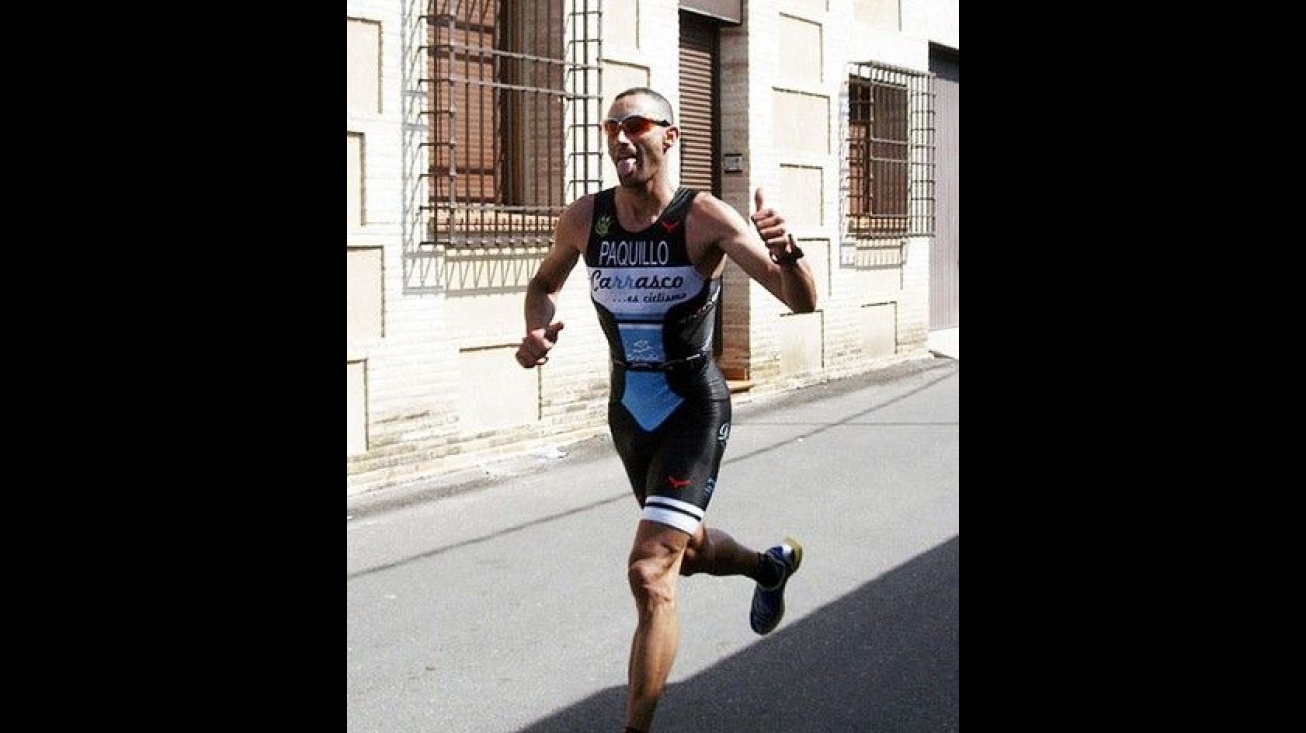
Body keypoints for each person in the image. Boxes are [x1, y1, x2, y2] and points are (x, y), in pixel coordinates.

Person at [515, 87, 818, 733]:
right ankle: (768, 566)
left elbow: (800, 301)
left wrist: (788, 248)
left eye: (638, 125)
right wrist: (536, 329)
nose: (622, 138)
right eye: (612, 126)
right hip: (628, 409)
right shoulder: (586, 218)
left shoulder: (705, 217)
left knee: (651, 570)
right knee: (689, 549)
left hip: (692, 405)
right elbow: (543, 284)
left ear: (670, 136)